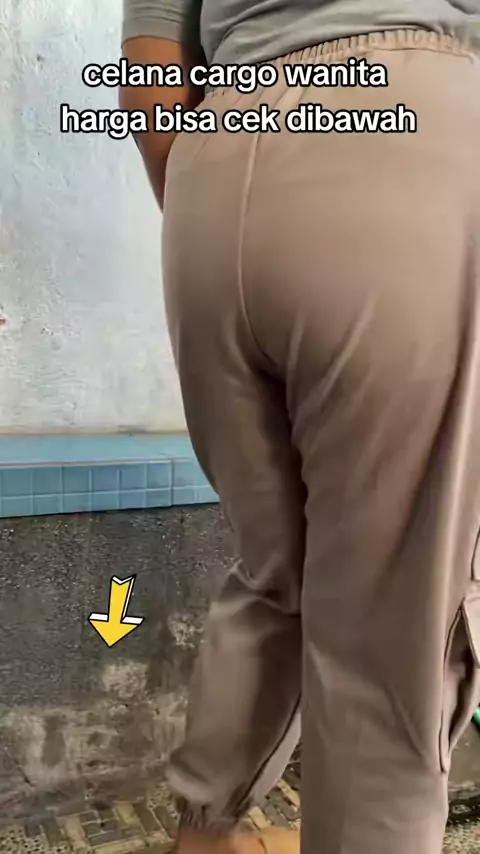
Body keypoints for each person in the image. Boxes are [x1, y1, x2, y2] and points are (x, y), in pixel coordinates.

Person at [120, 2, 480, 852]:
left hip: (215, 179)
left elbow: (148, 66)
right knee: (392, 625)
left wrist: (216, 200)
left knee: (273, 569)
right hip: (407, 147)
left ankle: (206, 835)